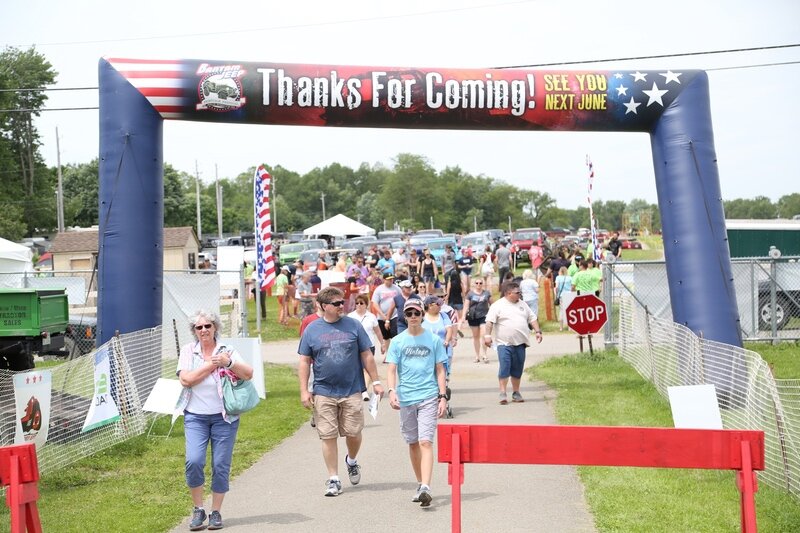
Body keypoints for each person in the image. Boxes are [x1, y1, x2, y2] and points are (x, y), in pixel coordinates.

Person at [298, 287, 384, 497]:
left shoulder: (353, 325)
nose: (341, 306)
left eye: (342, 302)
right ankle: (334, 478)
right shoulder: (312, 329)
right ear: (323, 306)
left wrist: (376, 381)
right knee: (328, 435)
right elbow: (304, 361)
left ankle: (351, 460)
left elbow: (366, 355)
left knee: (354, 432)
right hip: (323, 390)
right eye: (336, 303)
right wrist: (304, 390)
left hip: (352, 389)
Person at [176, 310, 255, 531]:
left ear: (215, 328)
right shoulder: (188, 351)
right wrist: (212, 364)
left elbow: (248, 373)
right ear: (194, 331)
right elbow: (186, 380)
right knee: (194, 461)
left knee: (220, 464)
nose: (203, 330)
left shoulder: (227, 350)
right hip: (195, 417)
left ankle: (216, 512)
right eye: (199, 327)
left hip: (224, 418)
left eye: (207, 326)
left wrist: (228, 363)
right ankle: (198, 509)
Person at [386, 299, 448, 507]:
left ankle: (426, 487)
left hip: (428, 396)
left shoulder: (434, 340)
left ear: (422, 314)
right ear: (405, 317)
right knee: (412, 442)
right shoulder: (397, 341)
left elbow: (440, 369)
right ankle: (420, 483)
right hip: (406, 397)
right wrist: (392, 391)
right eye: (409, 313)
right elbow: (391, 369)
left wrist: (442, 396)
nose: (413, 316)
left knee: (425, 442)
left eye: (416, 313)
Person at [483, 282, 542, 405]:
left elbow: (532, 318)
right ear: (508, 293)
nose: (520, 294)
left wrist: (538, 331)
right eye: (517, 292)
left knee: (517, 369)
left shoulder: (523, 304)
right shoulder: (498, 305)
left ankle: (516, 392)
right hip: (504, 344)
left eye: (520, 292)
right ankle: (503, 392)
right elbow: (489, 322)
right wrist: (487, 336)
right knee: (505, 367)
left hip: (520, 343)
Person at [461, 278, 492, 363]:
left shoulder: (486, 293)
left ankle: (484, 355)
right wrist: (463, 316)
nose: (479, 284)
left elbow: (492, 304)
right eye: (477, 283)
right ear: (474, 284)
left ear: (483, 284)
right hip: (473, 317)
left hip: (484, 316)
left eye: (480, 283)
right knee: (476, 337)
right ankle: (477, 356)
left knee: (484, 335)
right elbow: (466, 306)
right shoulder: (470, 294)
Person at [371, 273, 400, 352]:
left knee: (395, 334)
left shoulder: (397, 288)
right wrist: (383, 316)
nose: (391, 280)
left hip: (394, 315)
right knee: (386, 337)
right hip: (382, 317)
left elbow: (401, 298)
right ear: (384, 280)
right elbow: (375, 303)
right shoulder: (379, 289)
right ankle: (388, 353)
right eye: (389, 279)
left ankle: (396, 352)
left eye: (392, 279)